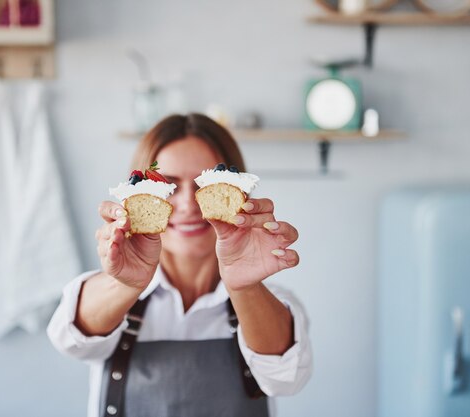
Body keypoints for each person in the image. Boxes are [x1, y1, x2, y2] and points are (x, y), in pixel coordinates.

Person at [47, 113, 312, 417]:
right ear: (139, 195)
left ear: (239, 192)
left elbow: (287, 379)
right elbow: (69, 340)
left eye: (206, 184)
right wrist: (125, 284)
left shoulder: (270, 302)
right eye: (168, 185)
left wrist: (245, 287)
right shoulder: (112, 296)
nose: (188, 204)